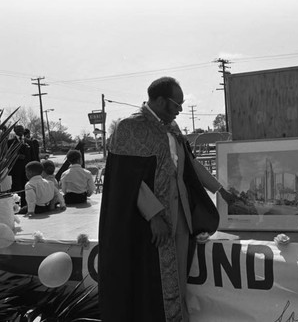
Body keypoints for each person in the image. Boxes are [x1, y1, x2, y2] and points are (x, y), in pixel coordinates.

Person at [98, 77, 235, 322]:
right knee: (153, 279)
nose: (180, 110)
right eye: (176, 104)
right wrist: (153, 216)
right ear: (160, 101)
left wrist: (219, 190)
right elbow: (127, 181)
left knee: (178, 278)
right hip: (147, 222)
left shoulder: (172, 127)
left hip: (181, 215)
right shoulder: (129, 128)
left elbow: (189, 166)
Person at [7, 124, 33, 206]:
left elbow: (33, 155)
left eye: (22, 129)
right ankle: (16, 206)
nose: (20, 131)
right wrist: (17, 156)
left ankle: (26, 205)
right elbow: (7, 155)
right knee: (17, 187)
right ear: (14, 131)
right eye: (18, 129)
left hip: (27, 169)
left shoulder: (29, 142)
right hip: (16, 169)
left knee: (27, 187)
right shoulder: (9, 142)